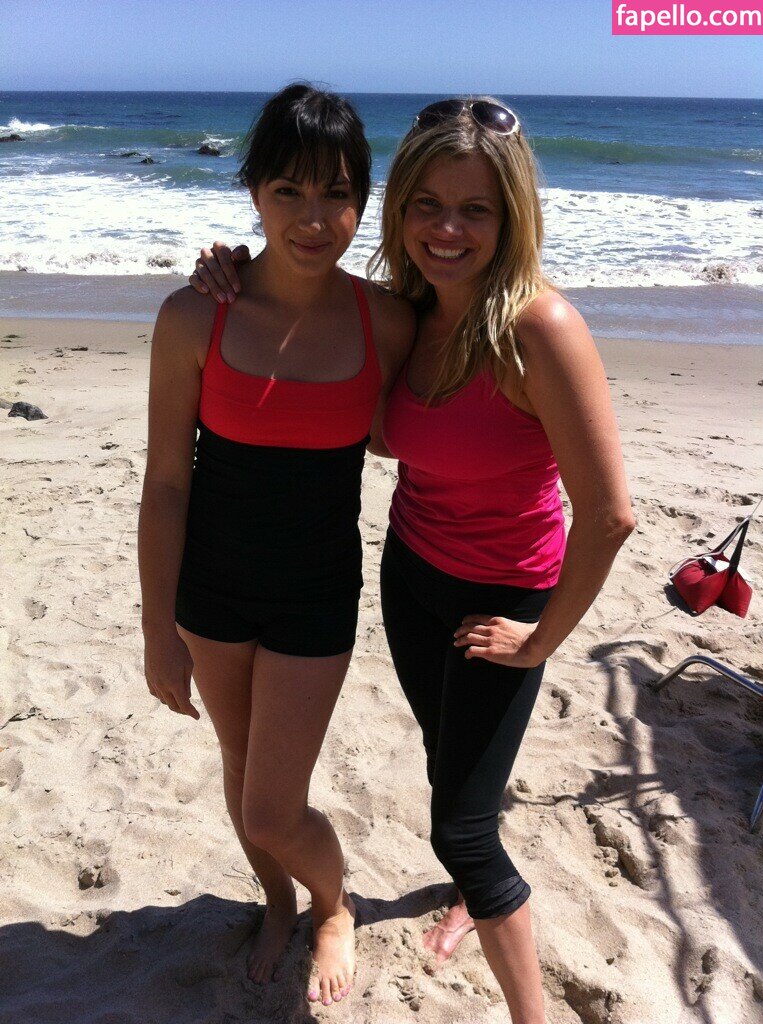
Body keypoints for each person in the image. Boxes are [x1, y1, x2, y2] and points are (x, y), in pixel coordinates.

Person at [191, 95, 635, 1023]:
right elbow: (317, 347)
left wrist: (539, 639)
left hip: (505, 593)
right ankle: (468, 887)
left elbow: (609, 517)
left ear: (511, 217)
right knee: (448, 758)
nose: (447, 228)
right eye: (427, 204)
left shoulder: (539, 327)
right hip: (411, 572)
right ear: (397, 212)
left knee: (462, 828)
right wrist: (230, 266)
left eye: (475, 210)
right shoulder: (407, 315)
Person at [138, 83, 413, 1009]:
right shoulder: (194, 315)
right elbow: (166, 484)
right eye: (288, 191)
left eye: (336, 193)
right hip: (210, 592)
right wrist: (156, 628)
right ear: (253, 190)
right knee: (239, 769)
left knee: (270, 805)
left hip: (316, 594)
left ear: (363, 201)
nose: (312, 217)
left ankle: (333, 906)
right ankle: (277, 901)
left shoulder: (387, 322)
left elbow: (465, 349)